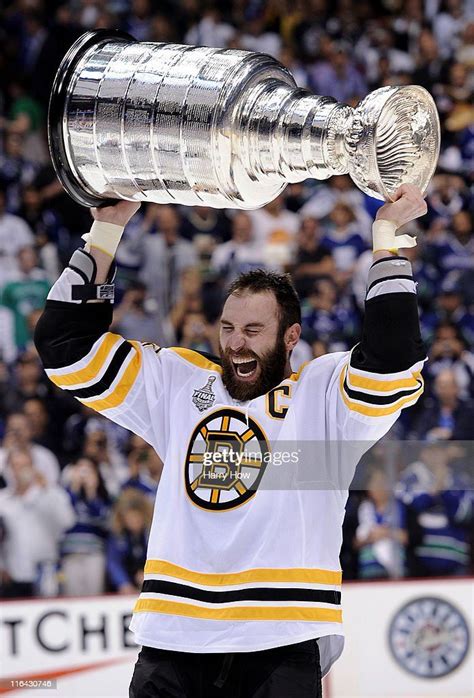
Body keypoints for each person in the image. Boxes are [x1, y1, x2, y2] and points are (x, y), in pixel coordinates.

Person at [34, 184, 427, 697]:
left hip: (282, 636)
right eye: (228, 328)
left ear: (291, 337)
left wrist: (387, 239)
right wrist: (107, 228)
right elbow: (66, 352)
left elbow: (393, 360)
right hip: (172, 637)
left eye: (254, 330)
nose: (236, 343)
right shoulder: (180, 383)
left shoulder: (324, 399)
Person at [0, 448, 75, 598]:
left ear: (33, 466)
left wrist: (45, 490)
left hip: (46, 571)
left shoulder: (52, 492)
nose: (20, 470)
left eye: (24, 465)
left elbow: (68, 522)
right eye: (15, 466)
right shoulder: (3, 499)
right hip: (13, 573)